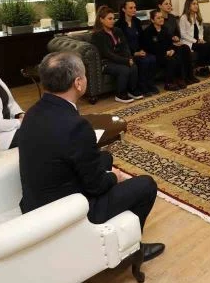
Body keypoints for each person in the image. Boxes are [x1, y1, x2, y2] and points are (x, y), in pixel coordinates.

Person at [17, 51, 164, 262]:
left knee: (105, 158)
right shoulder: (76, 126)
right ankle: (132, 250)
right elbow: (96, 187)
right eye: (85, 75)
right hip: (67, 211)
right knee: (146, 185)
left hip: (37, 200)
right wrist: (114, 177)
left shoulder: (33, 112)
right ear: (78, 83)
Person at [91, 5, 143, 103]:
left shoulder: (117, 30)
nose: (112, 21)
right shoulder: (97, 35)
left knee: (133, 66)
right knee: (124, 69)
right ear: (101, 20)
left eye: (113, 18)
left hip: (119, 59)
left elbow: (125, 47)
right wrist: (125, 61)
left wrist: (129, 58)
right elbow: (108, 54)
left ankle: (131, 90)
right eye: (109, 19)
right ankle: (120, 94)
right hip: (106, 62)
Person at [118, 0, 159, 96]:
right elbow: (122, 44)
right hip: (128, 53)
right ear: (124, 9)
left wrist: (142, 50)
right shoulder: (119, 25)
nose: (134, 10)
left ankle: (150, 84)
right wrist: (134, 53)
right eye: (131, 8)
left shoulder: (137, 22)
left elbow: (142, 38)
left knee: (152, 58)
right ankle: (142, 86)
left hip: (139, 51)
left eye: (135, 7)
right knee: (144, 61)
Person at [142, 9, 187, 91]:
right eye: (158, 18)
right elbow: (150, 48)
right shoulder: (148, 31)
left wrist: (172, 50)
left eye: (162, 17)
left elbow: (170, 42)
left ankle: (179, 79)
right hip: (156, 54)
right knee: (170, 60)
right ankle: (168, 83)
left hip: (167, 52)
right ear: (152, 20)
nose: (161, 19)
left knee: (178, 55)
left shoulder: (165, 29)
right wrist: (165, 52)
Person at [157, 0, 198, 84]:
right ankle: (181, 78)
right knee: (179, 51)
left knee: (185, 48)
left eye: (170, 4)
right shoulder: (158, 18)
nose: (169, 5)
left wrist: (177, 38)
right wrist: (172, 41)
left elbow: (177, 32)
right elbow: (161, 35)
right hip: (167, 45)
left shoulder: (172, 18)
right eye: (166, 4)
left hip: (175, 43)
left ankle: (189, 76)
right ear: (160, 6)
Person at [179, 0, 210, 75]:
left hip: (197, 40)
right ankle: (199, 68)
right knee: (203, 47)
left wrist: (201, 39)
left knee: (209, 46)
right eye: (193, 4)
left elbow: (201, 30)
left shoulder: (197, 16)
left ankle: (206, 66)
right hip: (188, 42)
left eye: (197, 4)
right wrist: (196, 41)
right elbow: (183, 34)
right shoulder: (183, 18)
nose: (196, 6)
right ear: (188, 5)